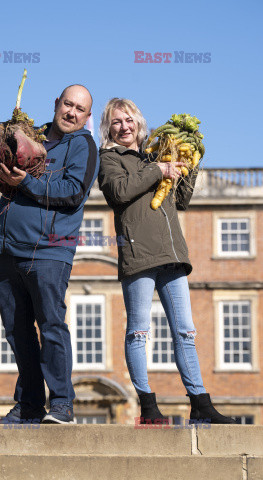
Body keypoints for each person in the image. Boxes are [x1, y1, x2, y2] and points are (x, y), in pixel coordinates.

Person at [0, 84, 99, 424]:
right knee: (16, 330)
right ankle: (30, 405)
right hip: (9, 250)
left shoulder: (83, 145)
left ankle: (62, 404)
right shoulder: (27, 136)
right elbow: (0, 178)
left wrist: (26, 183)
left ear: (87, 117)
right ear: (56, 103)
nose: (71, 113)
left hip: (50, 250)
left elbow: (72, 193)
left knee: (51, 326)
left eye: (80, 109)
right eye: (68, 104)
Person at [98, 98, 235, 424]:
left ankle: (201, 405)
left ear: (139, 123)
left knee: (186, 331)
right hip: (139, 255)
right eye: (117, 121)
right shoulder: (108, 159)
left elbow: (182, 200)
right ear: (109, 127)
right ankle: (148, 406)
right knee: (139, 333)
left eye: (129, 120)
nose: (124, 126)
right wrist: (157, 169)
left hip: (172, 256)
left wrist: (190, 161)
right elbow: (119, 192)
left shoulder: (156, 153)